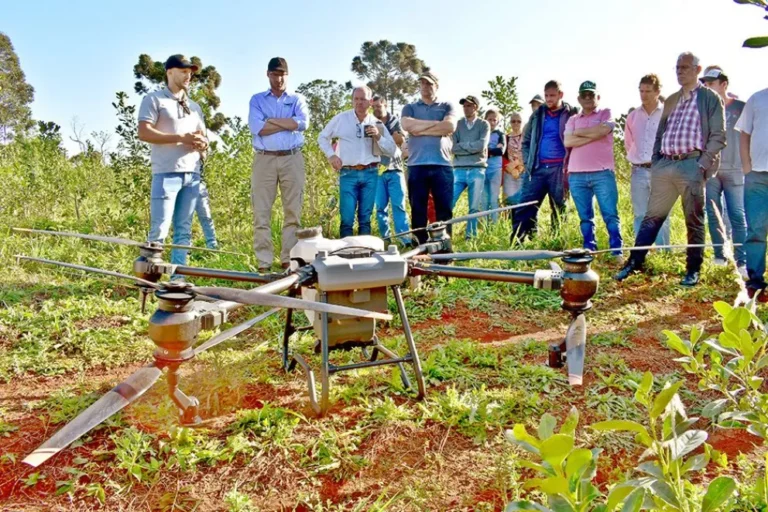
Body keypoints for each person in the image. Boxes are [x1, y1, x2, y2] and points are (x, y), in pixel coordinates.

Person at [615, 52, 726, 287]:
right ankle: (634, 263)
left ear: (698, 70)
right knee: (651, 218)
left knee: (693, 219)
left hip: (691, 164)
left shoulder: (710, 98)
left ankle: (692, 270)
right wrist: (657, 161)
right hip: (665, 164)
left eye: (685, 67)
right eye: (677, 67)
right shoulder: (672, 99)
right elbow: (660, 133)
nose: (680, 71)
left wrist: (702, 165)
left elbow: (718, 136)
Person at [138, 54, 208, 270]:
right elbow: (144, 132)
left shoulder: (194, 106)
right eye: (183, 71)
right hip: (167, 173)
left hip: (192, 174)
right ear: (169, 72)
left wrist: (202, 144)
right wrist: (181, 138)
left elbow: (204, 138)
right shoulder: (154, 100)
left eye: (190, 72)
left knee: (184, 229)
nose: (188, 76)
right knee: (160, 229)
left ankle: (178, 277)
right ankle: (150, 277)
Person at [248, 57, 310, 272]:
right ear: (268, 74)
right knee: (261, 211)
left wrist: (271, 120)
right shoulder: (257, 100)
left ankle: (289, 259)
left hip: (292, 157)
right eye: (275, 74)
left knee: (293, 211)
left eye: (282, 74)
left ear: (287, 75)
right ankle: (264, 262)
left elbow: (302, 124)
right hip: (264, 158)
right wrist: (286, 123)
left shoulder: (296, 99)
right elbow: (257, 127)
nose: (279, 78)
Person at [318, 87, 395, 237]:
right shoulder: (341, 119)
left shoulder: (376, 123)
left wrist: (378, 137)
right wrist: (331, 155)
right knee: (346, 219)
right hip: (348, 173)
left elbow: (392, 150)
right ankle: (345, 253)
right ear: (352, 100)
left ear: (371, 102)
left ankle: (364, 254)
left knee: (365, 219)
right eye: (356, 99)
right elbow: (322, 137)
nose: (359, 102)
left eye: (363, 99)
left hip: (370, 173)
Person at [513, 80, 578, 242]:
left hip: (560, 169)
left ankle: (557, 244)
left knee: (559, 208)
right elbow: (526, 140)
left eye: (552, 95)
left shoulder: (571, 114)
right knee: (525, 206)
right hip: (537, 168)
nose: (548, 99)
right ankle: (518, 243)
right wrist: (529, 163)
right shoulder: (537, 114)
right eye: (546, 95)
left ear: (560, 95)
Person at [564, 81, 623, 260]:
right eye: (584, 95)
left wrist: (580, 133)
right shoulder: (572, 119)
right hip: (576, 174)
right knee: (585, 217)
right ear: (579, 98)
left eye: (591, 95)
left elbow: (604, 130)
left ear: (597, 96)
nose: (588, 98)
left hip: (602, 173)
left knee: (610, 213)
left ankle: (616, 250)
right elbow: (568, 142)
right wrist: (595, 133)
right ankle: (589, 249)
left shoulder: (606, 113)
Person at [700, 67, 747, 276]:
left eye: (711, 83)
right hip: (711, 171)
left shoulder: (742, 107)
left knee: (737, 215)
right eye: (705, 84)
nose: (707, 87)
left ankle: (742, 260)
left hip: (736, 170)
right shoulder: (703, 109)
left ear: (723, 84)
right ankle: (720, 255)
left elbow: (752, 135)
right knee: (713, 213)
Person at [401, 72, 457, 244]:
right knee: (418, 209)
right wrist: (437, 126)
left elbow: (450, 126)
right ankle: (420, 246)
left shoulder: (447, 106)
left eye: (429, 84)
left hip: (442, 165)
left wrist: (420, 129)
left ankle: (444, 245)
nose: (425, 87)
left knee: (444, 209)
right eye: (423, 83)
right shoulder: (409, 107)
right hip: (417, 166)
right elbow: (406, 125)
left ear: (436, 86)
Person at [625, 74, 671, 248]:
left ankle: (663, 253)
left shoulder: (668, 114)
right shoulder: (633, 116)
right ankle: (640, 253)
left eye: (648, 91)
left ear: (658, 91)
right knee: (640, 214)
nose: (643, 95)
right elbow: (629, 143)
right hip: (638, 170)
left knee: (661, 214)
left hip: (661, 169)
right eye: (641, 91)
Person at [735, 86, 768, 302]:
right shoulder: (756, 99)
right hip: (757, 176)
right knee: (756, 229)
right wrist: (747, 166)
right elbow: (745, 134)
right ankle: (756, 283)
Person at [371, 95, 411, 245]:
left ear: (385, 105)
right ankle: (385, 239)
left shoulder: (395, 121)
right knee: (380, 207)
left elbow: (399, 139)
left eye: (378, 106)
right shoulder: (371, 122)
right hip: (378, 171)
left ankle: (405, 239)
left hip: (395, 169)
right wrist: (389, 138)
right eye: (373, 107)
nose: (376, 109)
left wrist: (380, 138)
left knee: (399, 206)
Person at [451, 95, 490, 238]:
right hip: (458, 170)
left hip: (477, 169)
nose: (466, 108)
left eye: (469, 105)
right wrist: (471, 148)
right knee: (449, 202)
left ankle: (470, 237)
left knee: (474, 207)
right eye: (464, 106)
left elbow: (481, 145)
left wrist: (463, 146)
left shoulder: (484, 124)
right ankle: (444, 234)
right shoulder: (458, 124)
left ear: (476, 107)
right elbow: (452, 147)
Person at [483, 109, 506, 221]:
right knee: (484, 199)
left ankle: (495, 223)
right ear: (485, 120)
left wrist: (486, 151)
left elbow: (501, 151)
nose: (492, 122)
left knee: (494, 197)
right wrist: (492, 150)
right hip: (482, 169)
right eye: (489, 119)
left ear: (497, 122)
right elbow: (477, 149)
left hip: (495, 169)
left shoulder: (500, 134)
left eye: (494, 120)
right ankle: (485, 225)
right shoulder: (482, 133)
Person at [503, 112, 525, 205]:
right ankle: (508, 219)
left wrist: (520, 167)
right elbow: (502, 155)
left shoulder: (527, 137)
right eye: (513, 121)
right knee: (509, 200)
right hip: (509, 173)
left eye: (518, 121)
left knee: (522, 199)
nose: (516, 123)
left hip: (523, 172)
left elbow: (529, 153)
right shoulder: (505, 137)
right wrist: (511, 169)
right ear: (510, 123)